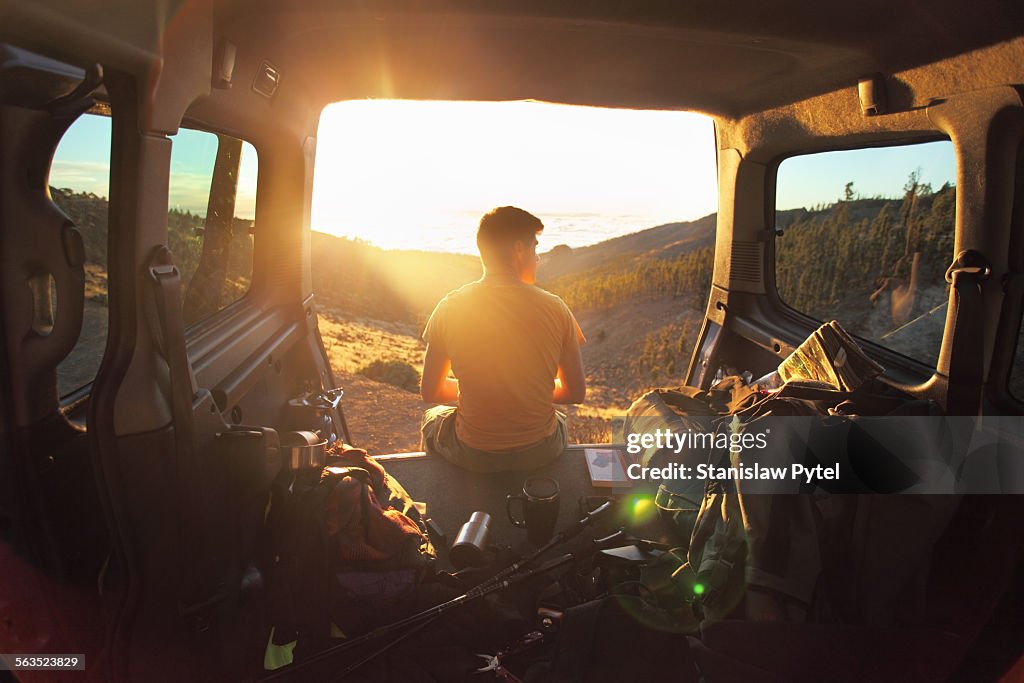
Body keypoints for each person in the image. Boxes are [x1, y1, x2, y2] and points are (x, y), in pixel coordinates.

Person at [420, 206, 586, 473]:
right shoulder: (556, 308)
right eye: (535, 248)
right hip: (540, 451)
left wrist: (480, 390)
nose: (538, 257)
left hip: (474, 453)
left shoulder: (449, 307)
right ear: (519, 249)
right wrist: (527, 389)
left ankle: (444, 488)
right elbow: (576, 393)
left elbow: (431, 392)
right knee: (559, 420)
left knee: (433, 419)